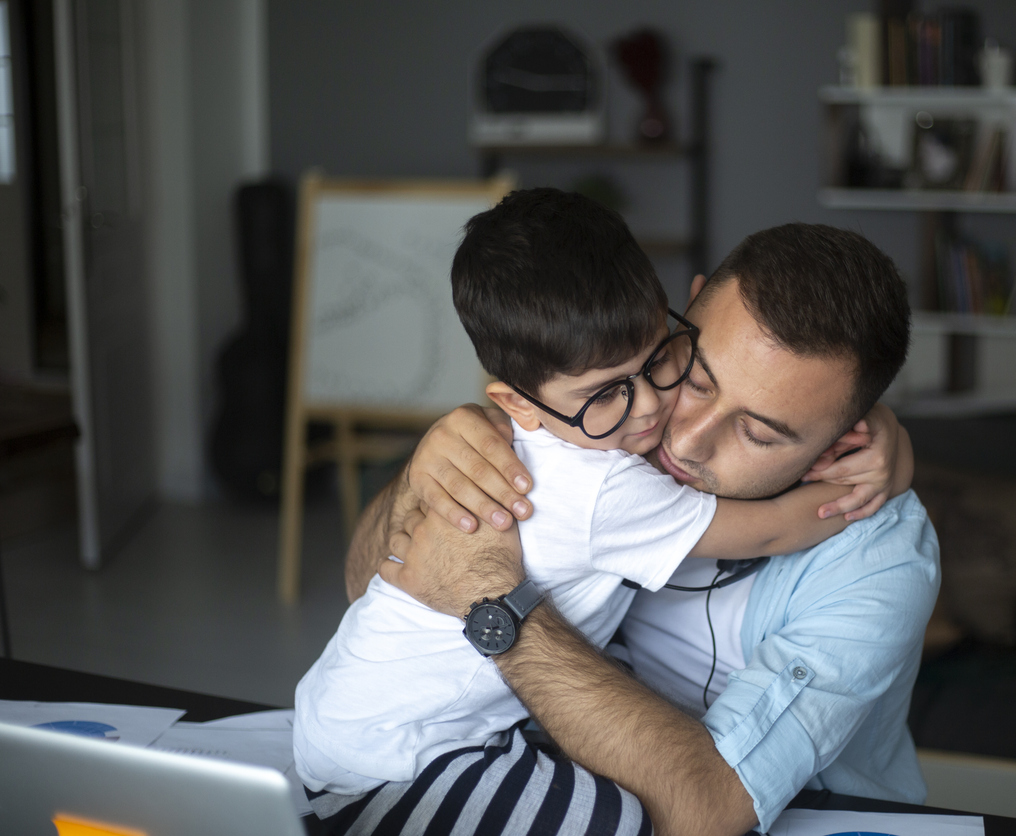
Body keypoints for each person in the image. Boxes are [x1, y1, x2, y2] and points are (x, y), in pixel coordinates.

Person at [295, 191, 908, 833]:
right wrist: (424, 473)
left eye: (760, 434)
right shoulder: (596, 441)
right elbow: (365, 580)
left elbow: (707, 813)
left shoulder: (874, 564)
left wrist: (887, 470)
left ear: (842, 438)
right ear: (686, 312)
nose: (672, 430)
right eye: (694, 377)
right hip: (411, 749)